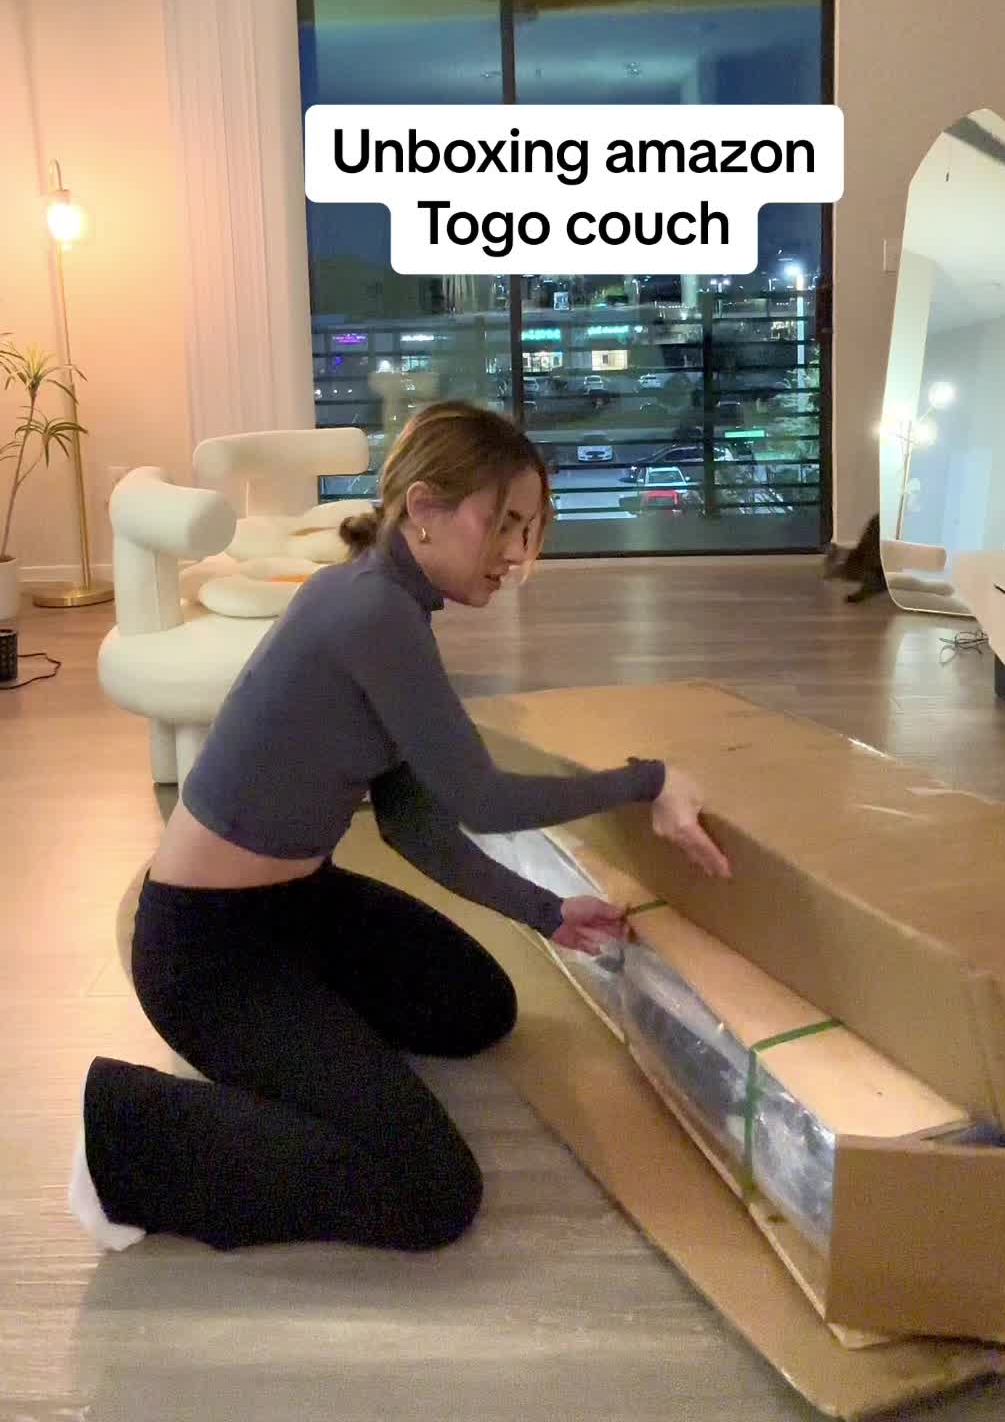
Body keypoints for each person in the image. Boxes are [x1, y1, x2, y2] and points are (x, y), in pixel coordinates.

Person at [69, 400, 731, 1256]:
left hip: (299, 908)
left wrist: (545, 913)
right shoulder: (369, 613)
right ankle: (124, 1136)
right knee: (431, 1191)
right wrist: (650, 780)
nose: (517, 554)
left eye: (529, 530)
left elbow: (414, 824)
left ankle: (312, 1045)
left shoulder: (387, 606)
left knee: (478, 1008)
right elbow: (483, 801)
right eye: (502, 524)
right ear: (423, 508)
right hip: (207, 956)